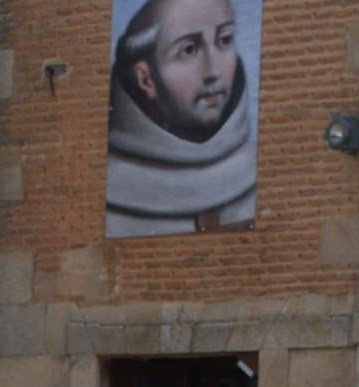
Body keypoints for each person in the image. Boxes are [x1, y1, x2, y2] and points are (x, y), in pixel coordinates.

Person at [106, 0, 256, 237]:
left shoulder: (255, 172)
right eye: (189, 50)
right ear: (146, 79)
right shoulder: (109, 196)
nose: (213, 72)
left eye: (224, 40)